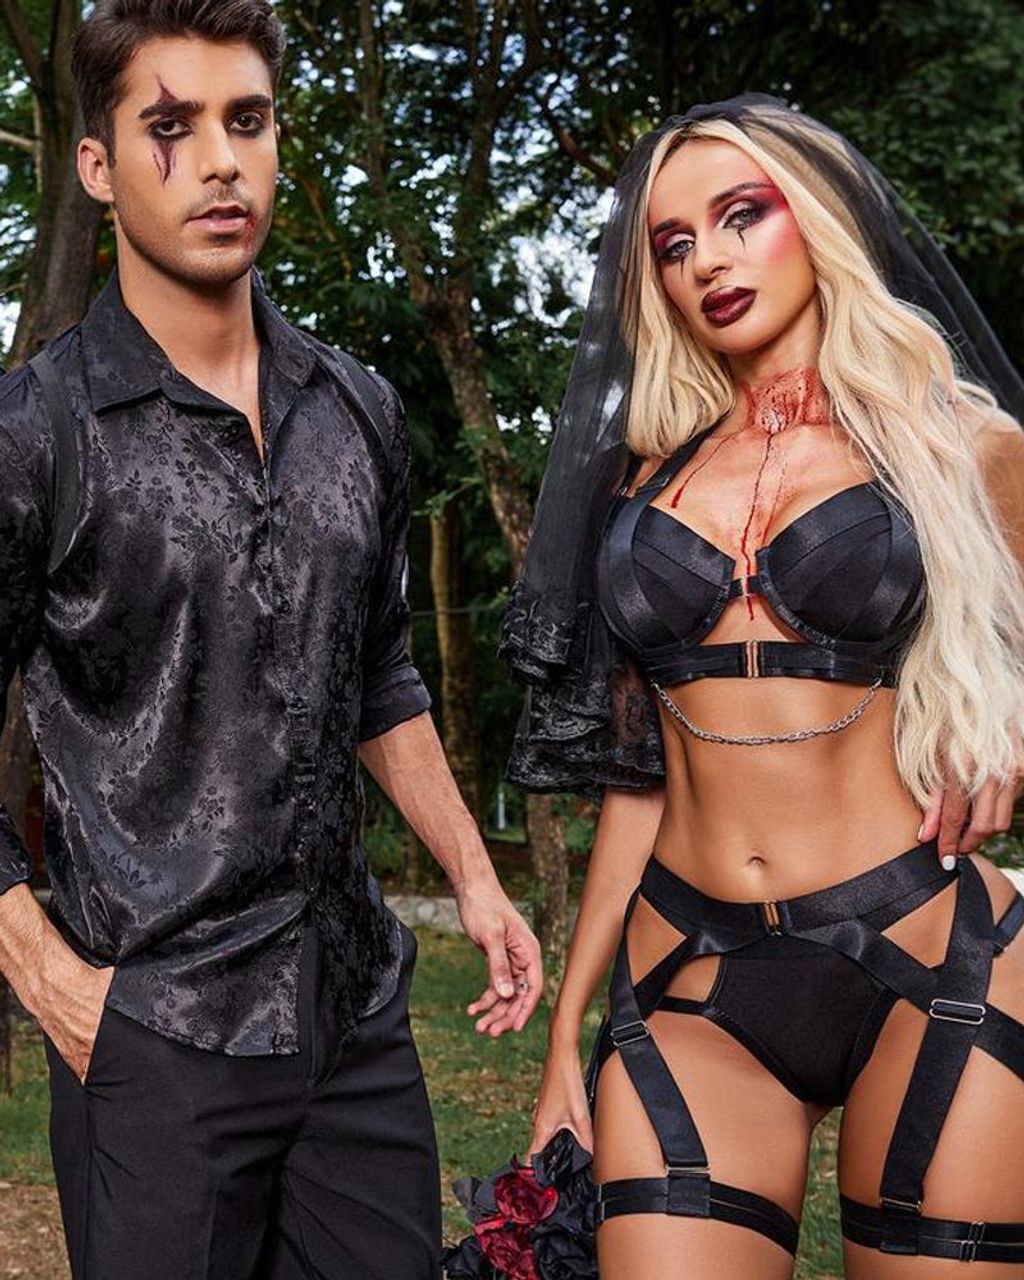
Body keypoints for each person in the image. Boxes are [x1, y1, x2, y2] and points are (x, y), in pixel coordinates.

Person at [0, 2, 541, 1277]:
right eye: (172, 127)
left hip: (354, 1015)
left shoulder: (358, 407)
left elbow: (378, 669)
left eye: (246, 120)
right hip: (154, 1030)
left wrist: (473, 875)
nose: (220, 161)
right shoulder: (35, 431)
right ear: (99, 166)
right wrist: (49, 975)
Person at [499, 94, 1024, 1278]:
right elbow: (638, 776)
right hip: (689, 973)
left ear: (817, 218)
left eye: (742, 215)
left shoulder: (957, 442)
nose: (708, 261)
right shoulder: (645, 475)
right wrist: (566, 1034)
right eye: (674, 243)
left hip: (928, 950)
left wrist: (1010, 734)